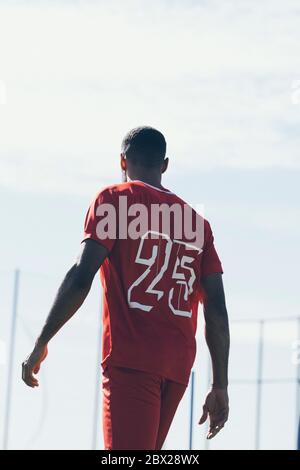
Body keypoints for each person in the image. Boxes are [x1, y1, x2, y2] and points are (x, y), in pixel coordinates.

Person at [22, 126, 230, 450]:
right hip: (177, 366)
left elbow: (81, 276)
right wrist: (220, 384)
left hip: (132, 359)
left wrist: (41, 342)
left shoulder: (115, 201)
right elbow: (216, 307)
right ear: (165, 165)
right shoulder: (196, 224)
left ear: (122, 162)